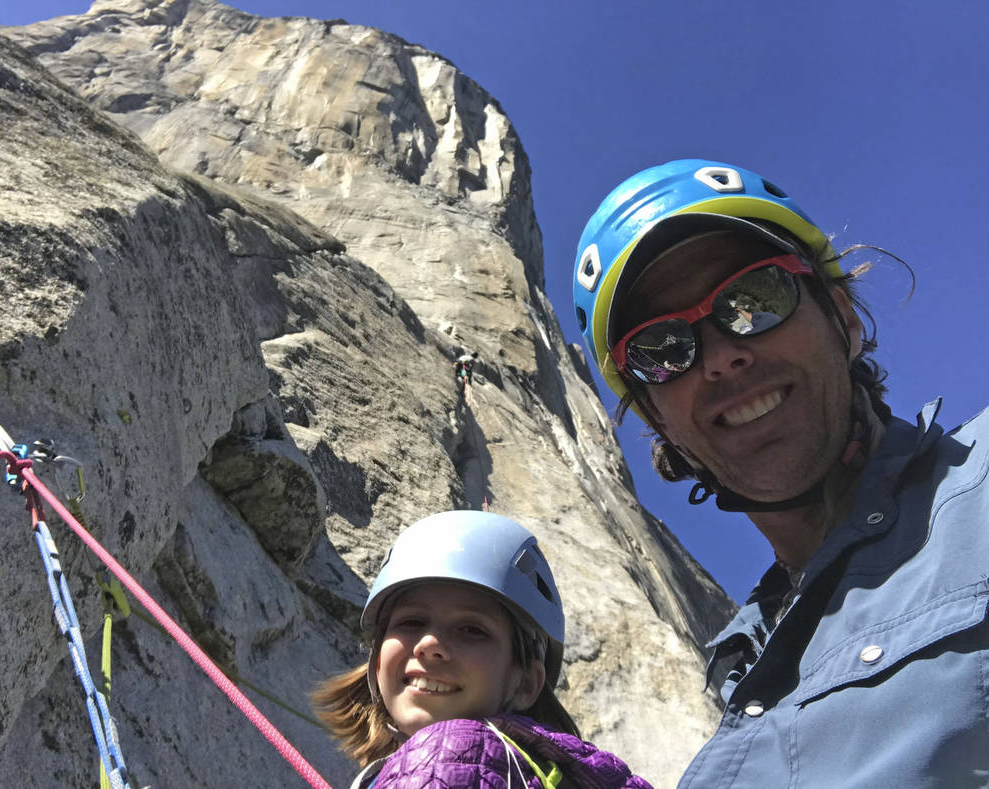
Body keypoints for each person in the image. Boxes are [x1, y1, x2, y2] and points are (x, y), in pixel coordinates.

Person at [572, 159, 989, 787]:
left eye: (754, 299)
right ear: (659, 422)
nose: (718, 356)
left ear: (843, 319)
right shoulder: (735, 678)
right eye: (661, 350)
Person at [312, 510, 652, 789]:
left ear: (525, 683)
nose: (430, 644)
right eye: (411, 623)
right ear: (376, 659)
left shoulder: (444, 762)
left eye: (471, 630)